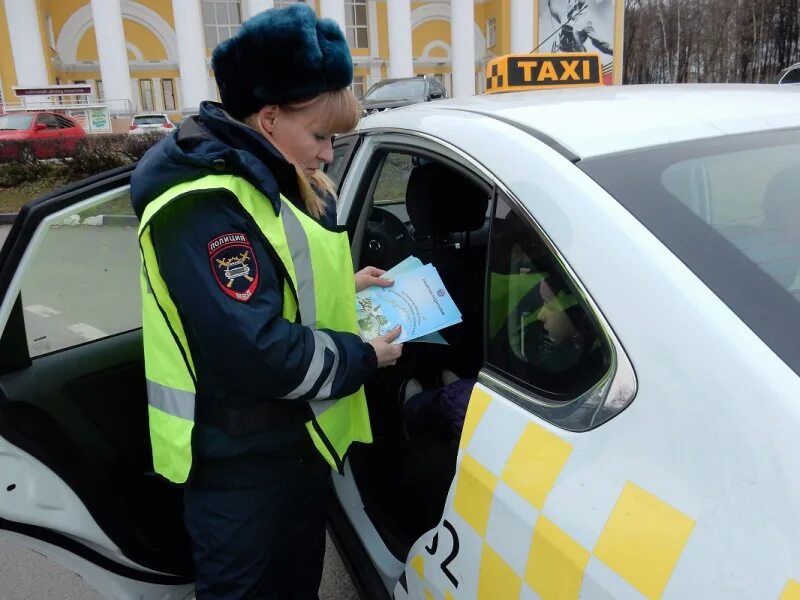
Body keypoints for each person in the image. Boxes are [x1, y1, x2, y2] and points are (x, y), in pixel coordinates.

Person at [130, 5, 402, 598]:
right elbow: (259, 351)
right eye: (321, 136)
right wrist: (363, 357)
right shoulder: (203, 205)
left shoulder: (263, 180)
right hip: (239, 468)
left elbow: (273, 288)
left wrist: (346, 286)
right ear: (271, 118)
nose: (330, 154)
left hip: (287, 448)